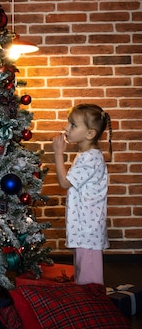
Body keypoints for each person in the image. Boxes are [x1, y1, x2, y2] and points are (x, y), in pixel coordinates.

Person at [52, 103, 112, 285]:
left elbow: (64, 182)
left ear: (90, 134)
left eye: (73, 125)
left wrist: (58, 154)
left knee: (89, 281)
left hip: (88, 230)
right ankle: (82, 304)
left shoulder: (91, 158)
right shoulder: (86, 155)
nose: (66, 128)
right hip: (83, 228)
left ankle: (92, 307)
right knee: (81, 272)